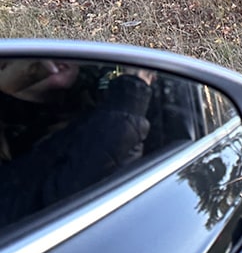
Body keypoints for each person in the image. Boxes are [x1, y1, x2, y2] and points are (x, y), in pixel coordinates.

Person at [0, 59, 153, 229]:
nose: (47, 58)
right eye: (6, 62)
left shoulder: (93, 91)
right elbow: (51, 203)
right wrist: (131, 96)